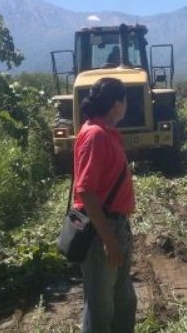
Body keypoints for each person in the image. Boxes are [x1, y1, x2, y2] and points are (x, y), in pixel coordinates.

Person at [73, 77, 136, 333]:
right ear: (116, 104)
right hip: (103, 232)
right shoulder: (95, 135)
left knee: (124, 302)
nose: (126, 105)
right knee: (100, 309)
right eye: (125, 100)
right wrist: (109, 240)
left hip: (115, 227)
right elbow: (86, 192)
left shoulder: (106, 133)